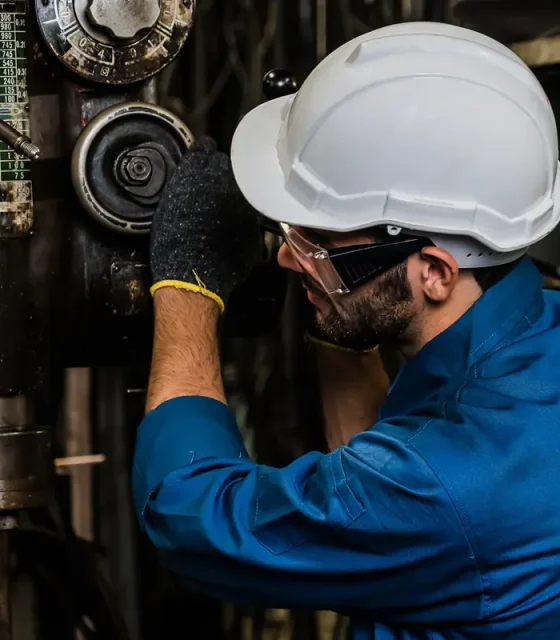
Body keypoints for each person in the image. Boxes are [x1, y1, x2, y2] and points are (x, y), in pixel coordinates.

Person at [132, 21, 560, 639]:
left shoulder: (447, 481)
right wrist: (338, 299)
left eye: (320, 240)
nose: (285, 255)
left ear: (435, 272)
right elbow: (380, 477)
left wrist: (186, 288)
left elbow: (190, 512)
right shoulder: (531, 348)